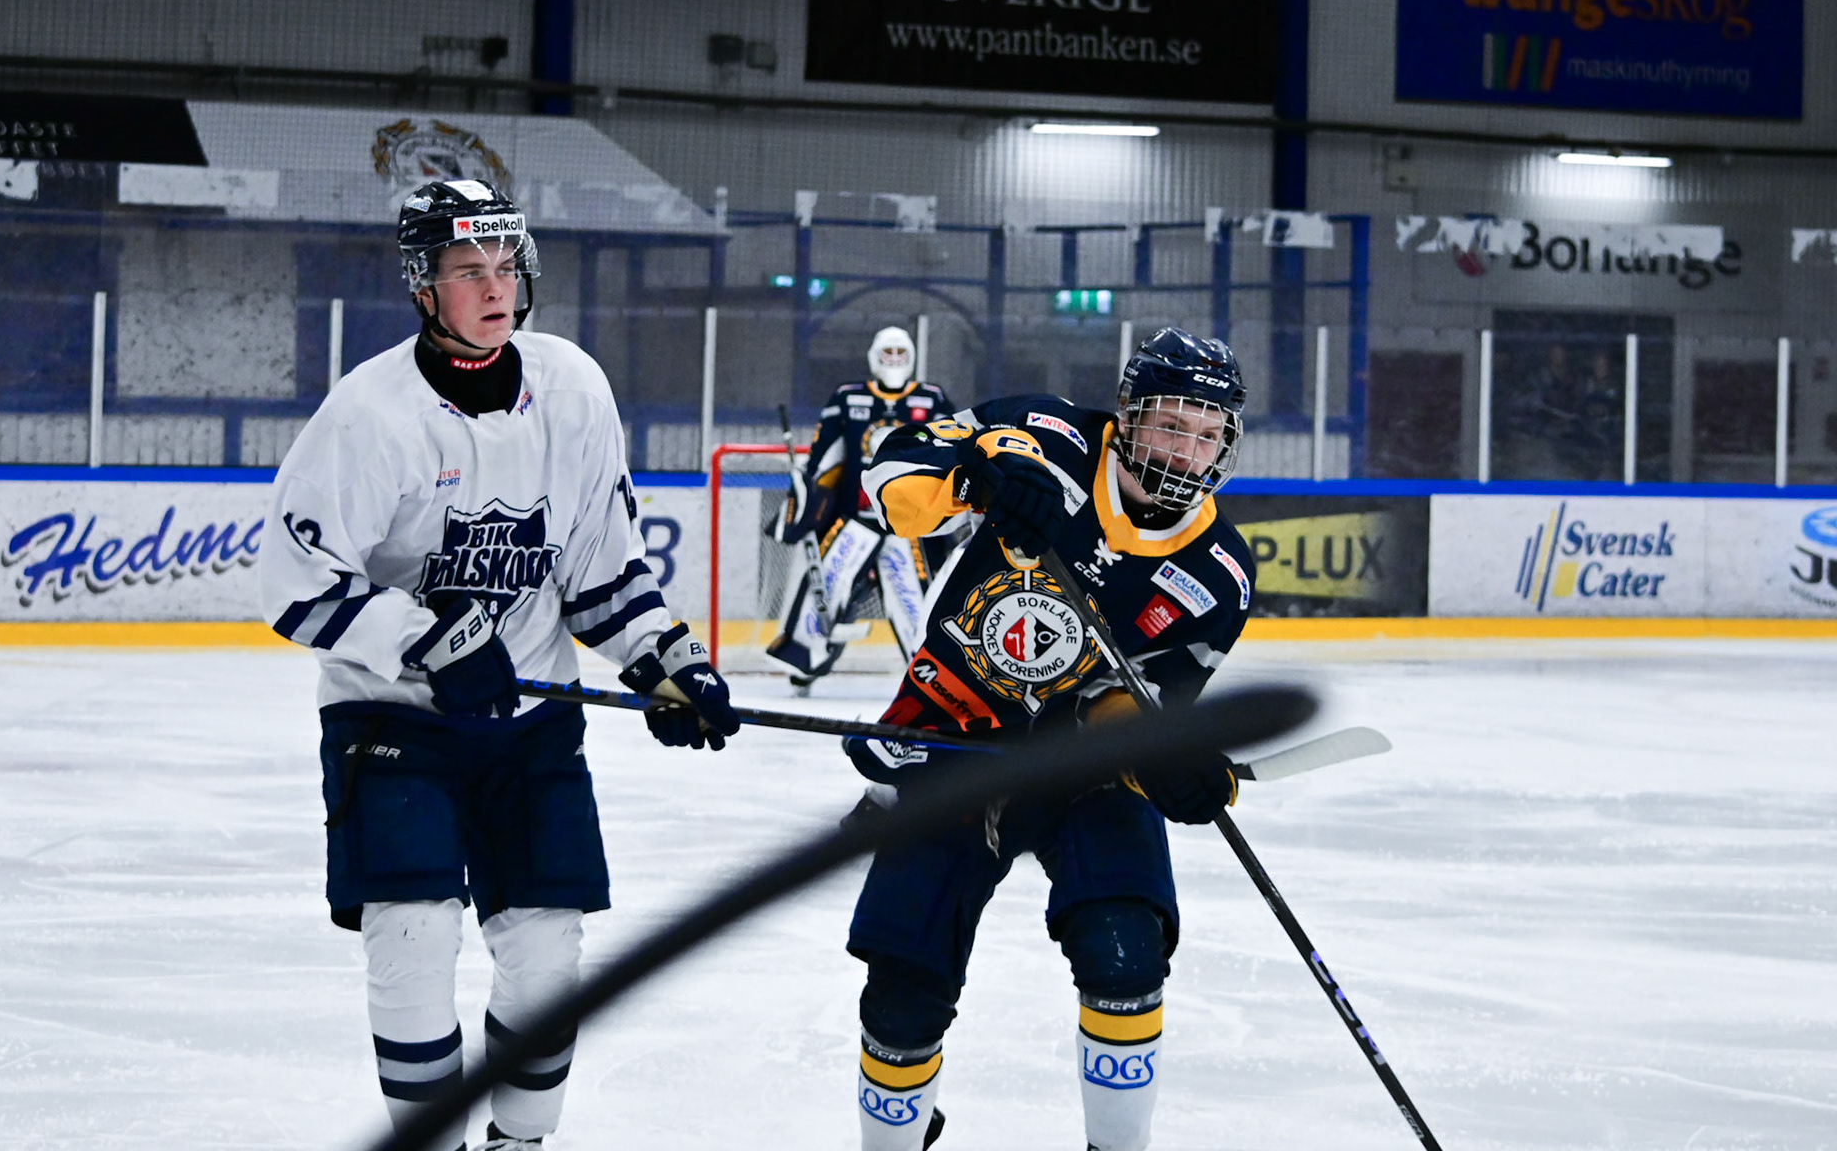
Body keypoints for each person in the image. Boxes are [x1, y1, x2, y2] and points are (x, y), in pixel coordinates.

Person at [261, 178, 739, 1151]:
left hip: (529, 725)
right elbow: (296, 585)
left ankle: (519, 1144)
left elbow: (601, 573)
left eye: (506, 267)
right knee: (413, 934)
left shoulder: (574, 390)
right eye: (468, 269)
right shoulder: (369, 416)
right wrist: (430, 640)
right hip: (393, 719)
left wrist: (664, 658)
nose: (494, 287)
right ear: (423, 288)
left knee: (549, 954)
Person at [843, 328, 1259, 1151]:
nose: (1188, 450)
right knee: (903, 990)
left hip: (1080, 771)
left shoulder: (1218, 576)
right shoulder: (1050, 435)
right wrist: (974, 475)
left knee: (1126, 953)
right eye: (1172, 425)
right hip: (949, 739)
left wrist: (1164, 763)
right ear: (1128, 416)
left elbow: (1136, 704)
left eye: (1208, 433)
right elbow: (892, 475)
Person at [766, 325, 957, 688]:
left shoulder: (931, 399)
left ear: (912, 358)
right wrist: (807, 488)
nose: (894, 360)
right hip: (856, 520)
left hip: (906, 525)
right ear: (874, 357)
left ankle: (931, 674)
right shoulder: (848, 397)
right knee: (826, 583)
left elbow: (950, 451)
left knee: (913, 600)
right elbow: (826, 454)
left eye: (901, 353)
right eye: (888, 353)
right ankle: (803, 657)